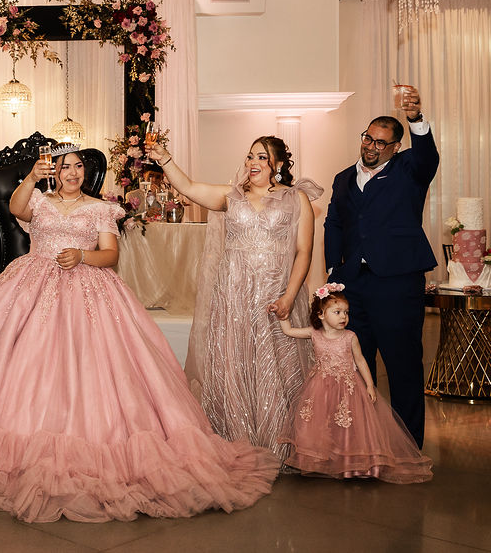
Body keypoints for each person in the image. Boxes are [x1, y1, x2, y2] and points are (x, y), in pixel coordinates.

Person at [0, 144, 280, 523]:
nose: (72, 172)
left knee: (95, 369)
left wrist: (81, 258)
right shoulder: (37, 201)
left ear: (87, 173)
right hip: (30, 284)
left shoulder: (101, 208)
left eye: (79, 166)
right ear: (54, 172)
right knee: (11, 363)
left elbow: (111, 255)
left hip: (88, 287)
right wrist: (32, 175)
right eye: (65, 166)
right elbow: (15, 207)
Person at [148, 136, 320, 461]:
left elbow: (303, 252)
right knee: (235, 363)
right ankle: (237, 436)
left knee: (275, 368)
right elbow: (188, 186)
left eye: (263, 158)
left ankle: (279, 442)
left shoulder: (296, 200)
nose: (253, 163)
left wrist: (289, 296)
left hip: (274, 296)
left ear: (278, 165)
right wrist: (165, 159)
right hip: (233, 298)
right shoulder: (232, 197)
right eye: (250, 156)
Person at [324, 88, 438, 448]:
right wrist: (333, 271)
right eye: (367, 138)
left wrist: (416, 119)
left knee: (403, 366)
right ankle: (363, 443)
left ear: (395, 148)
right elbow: (334, 224)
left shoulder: (410, 171)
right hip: (352, 286)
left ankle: (407, 447)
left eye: (380, 143)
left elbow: (427, 157)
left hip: (397, 284)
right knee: (356, 368)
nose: (371, 147)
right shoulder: (343, 178)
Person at [274, 284, 432, 483]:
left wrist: (368, 384)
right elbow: (289, 331)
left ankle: (352, 463)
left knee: (349, 425)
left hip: (349, 387)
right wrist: (282, 315)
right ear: (321, 315)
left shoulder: (350, 337)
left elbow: (361, 361)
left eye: (346, 313)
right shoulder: (314, 333)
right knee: (323, 423)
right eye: (337, 312)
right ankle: (325, 460)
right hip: (321, 388)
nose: (343, 317)